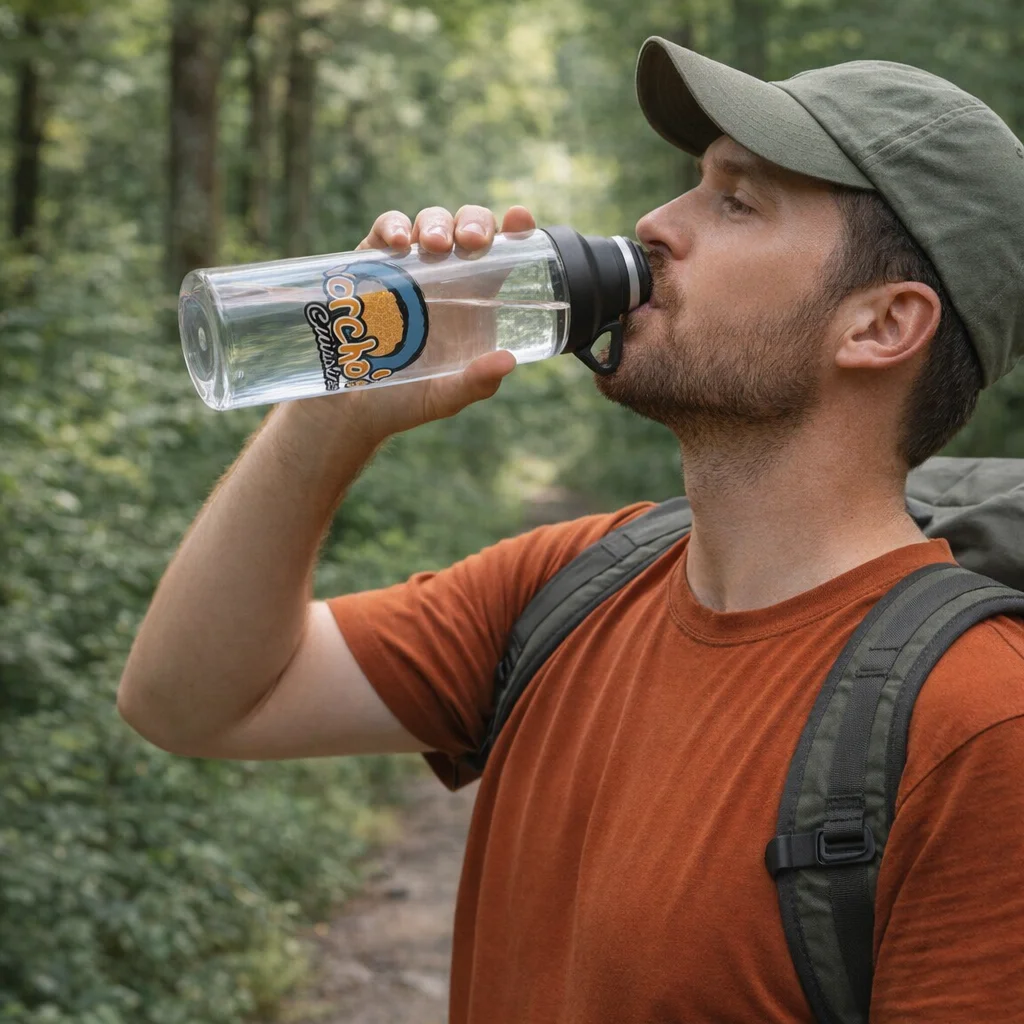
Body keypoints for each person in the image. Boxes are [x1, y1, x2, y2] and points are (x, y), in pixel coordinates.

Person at [118, 36, 1024, 1023]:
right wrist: (336, 404)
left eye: (734, 201)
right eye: (691, 185)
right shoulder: (570, 584)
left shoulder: (978, 727)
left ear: (881, 325)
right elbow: (191, 701)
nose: (656, 224)